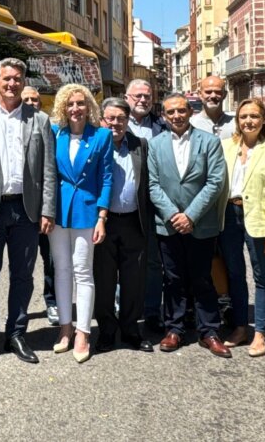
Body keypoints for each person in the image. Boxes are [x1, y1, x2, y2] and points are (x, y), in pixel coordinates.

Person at [0, 58, 57, 364]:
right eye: (6, 79)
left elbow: (48, 169)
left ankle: (17, 334)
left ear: (23, 82)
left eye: (17, 79)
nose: (12, 84)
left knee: (23, 276)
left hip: (26, 209)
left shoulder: (39, 120)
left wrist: (47, 209)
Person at [147, 92, 229, 357]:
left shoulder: (210, 141)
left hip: (200, 223)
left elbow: (215, 182)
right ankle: (174, 329)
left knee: (203, 278)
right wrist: (173, 214)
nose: (176, 116)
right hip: (168, 224)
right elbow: (152, 184)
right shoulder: (155, 144)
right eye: (170, 112)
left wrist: (190, 215)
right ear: (164, 115)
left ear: (190, 111)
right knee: (173, 279)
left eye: (181, 110)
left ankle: (209, 332)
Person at [217, 98, 265, 357]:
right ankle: (240, 327)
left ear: (263, 120)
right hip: (228, 215)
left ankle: (261, 332)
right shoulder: (225, 146)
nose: (248, 121)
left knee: (262, 276)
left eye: (254, 116)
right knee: (235, 274)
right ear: (237, 120)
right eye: (243, 116)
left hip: (260, 219)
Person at [48, 83, 111, 364]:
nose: (76, 109)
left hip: (87, 210)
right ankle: (65, 327)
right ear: (63, 107)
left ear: (89, 107)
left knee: (83, 272)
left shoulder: (101, 136)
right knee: (61, 269)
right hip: (58, 210)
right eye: (70, 104)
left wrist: (102, 216)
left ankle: (83, 332)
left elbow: (107, 177)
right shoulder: (55, 134)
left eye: (81, 103)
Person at [93, 98, 154, 353]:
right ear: (101, 120)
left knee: (133, 280)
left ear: (128, 121)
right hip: (103, 224)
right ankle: (107, 331)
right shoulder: (95, 144)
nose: (115, 123)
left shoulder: (139, 145)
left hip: (133, 222)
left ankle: (130, 330)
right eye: (110, 118)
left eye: (121, 118)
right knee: (104, 280)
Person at [125, 78, 165, 333]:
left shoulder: (162, 127)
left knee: (152, 262)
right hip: (124, 204)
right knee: (123, 260)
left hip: (153, 203)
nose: (142, 100)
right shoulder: (113, 124)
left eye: (147, 96)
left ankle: (152, 311)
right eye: (137, 96)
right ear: (127, 97)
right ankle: (125, 308)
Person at [23, 87, 60, 327]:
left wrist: (50, 208)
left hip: (45, 209)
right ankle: (20, 308)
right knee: (23, 264)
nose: (29, 102)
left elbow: (52, 171)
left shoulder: (50, 128)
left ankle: (52, 301)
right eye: (25, 99)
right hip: (23, 210)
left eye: (34, 99)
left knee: (51, 260)